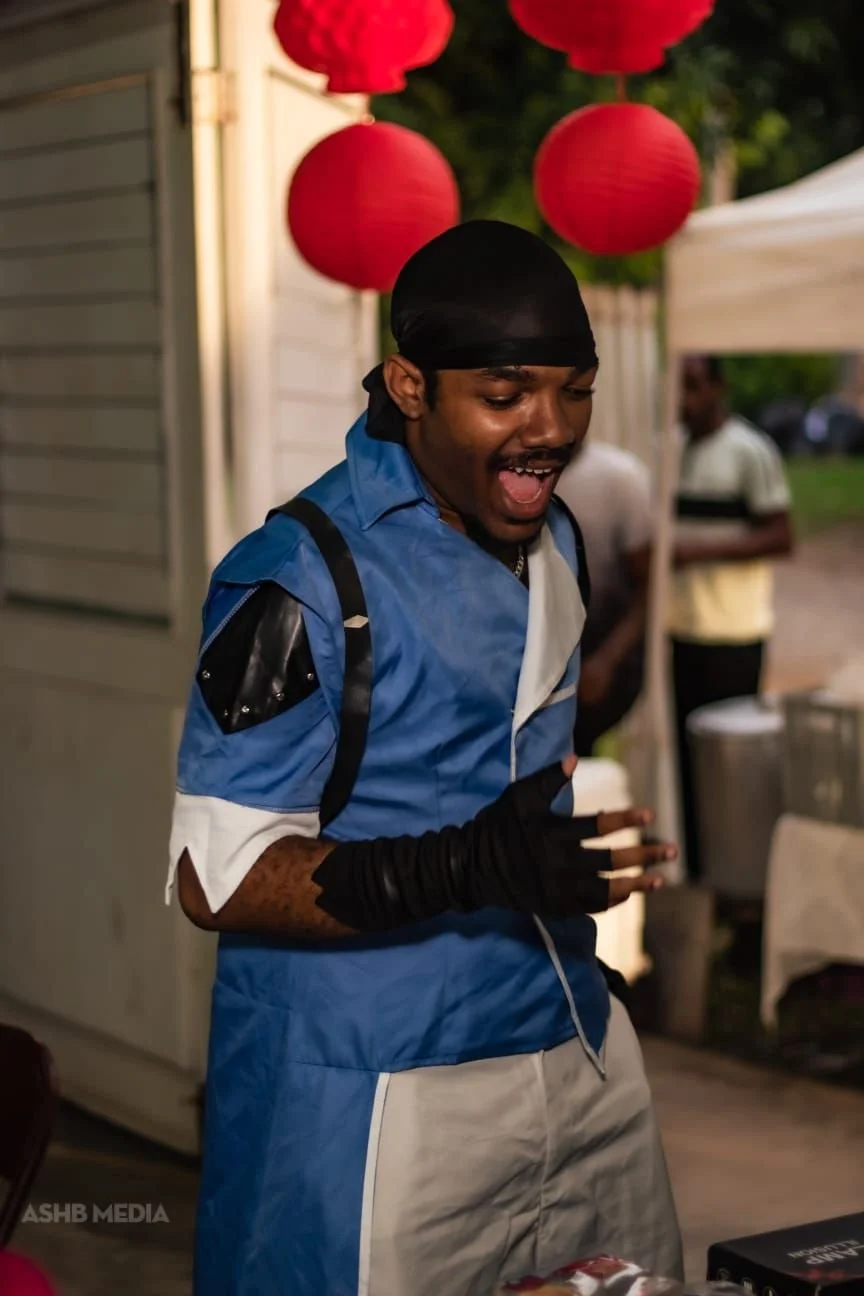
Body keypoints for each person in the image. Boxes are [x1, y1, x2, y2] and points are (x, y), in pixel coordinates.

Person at [167, 221, 683, 1296]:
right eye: (506, 396)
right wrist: (467, 868)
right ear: (409, 384)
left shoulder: (563, 538)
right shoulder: (298, 579)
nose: (551, 429)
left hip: (564, 1037)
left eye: (574, 391)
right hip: (370, 1083)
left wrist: (547, 868)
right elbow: (211, 878)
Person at [672, 354, 794, 878]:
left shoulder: (749, 451)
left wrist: (696, 553)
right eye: (678, 386)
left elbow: (781, 535)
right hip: (678, 632)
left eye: (695, 386)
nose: (684, 399)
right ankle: (698, 872)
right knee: (684, 761)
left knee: (731, 764)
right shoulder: (669, 449)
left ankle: (740, 877)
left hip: (732, 633)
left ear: (719, 387)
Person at [556, 439, 652, 756]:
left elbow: (648, 589)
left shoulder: (621, 478)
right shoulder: (503, 474)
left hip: (600, 651)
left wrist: (606, 661)